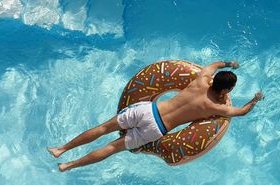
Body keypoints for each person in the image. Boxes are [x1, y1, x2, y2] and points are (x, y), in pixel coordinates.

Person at [47, 61, 264, 172]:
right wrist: (254, 100)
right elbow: (241, 112)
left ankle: (61, 150)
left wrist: (230, 64)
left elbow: (215, 65)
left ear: (214, 79)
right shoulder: (217, 108)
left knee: (103, 128)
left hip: (148, 110)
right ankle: (68, 166)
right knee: (112, 148)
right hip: (157, 129)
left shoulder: (201, 79)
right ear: (226, 91)